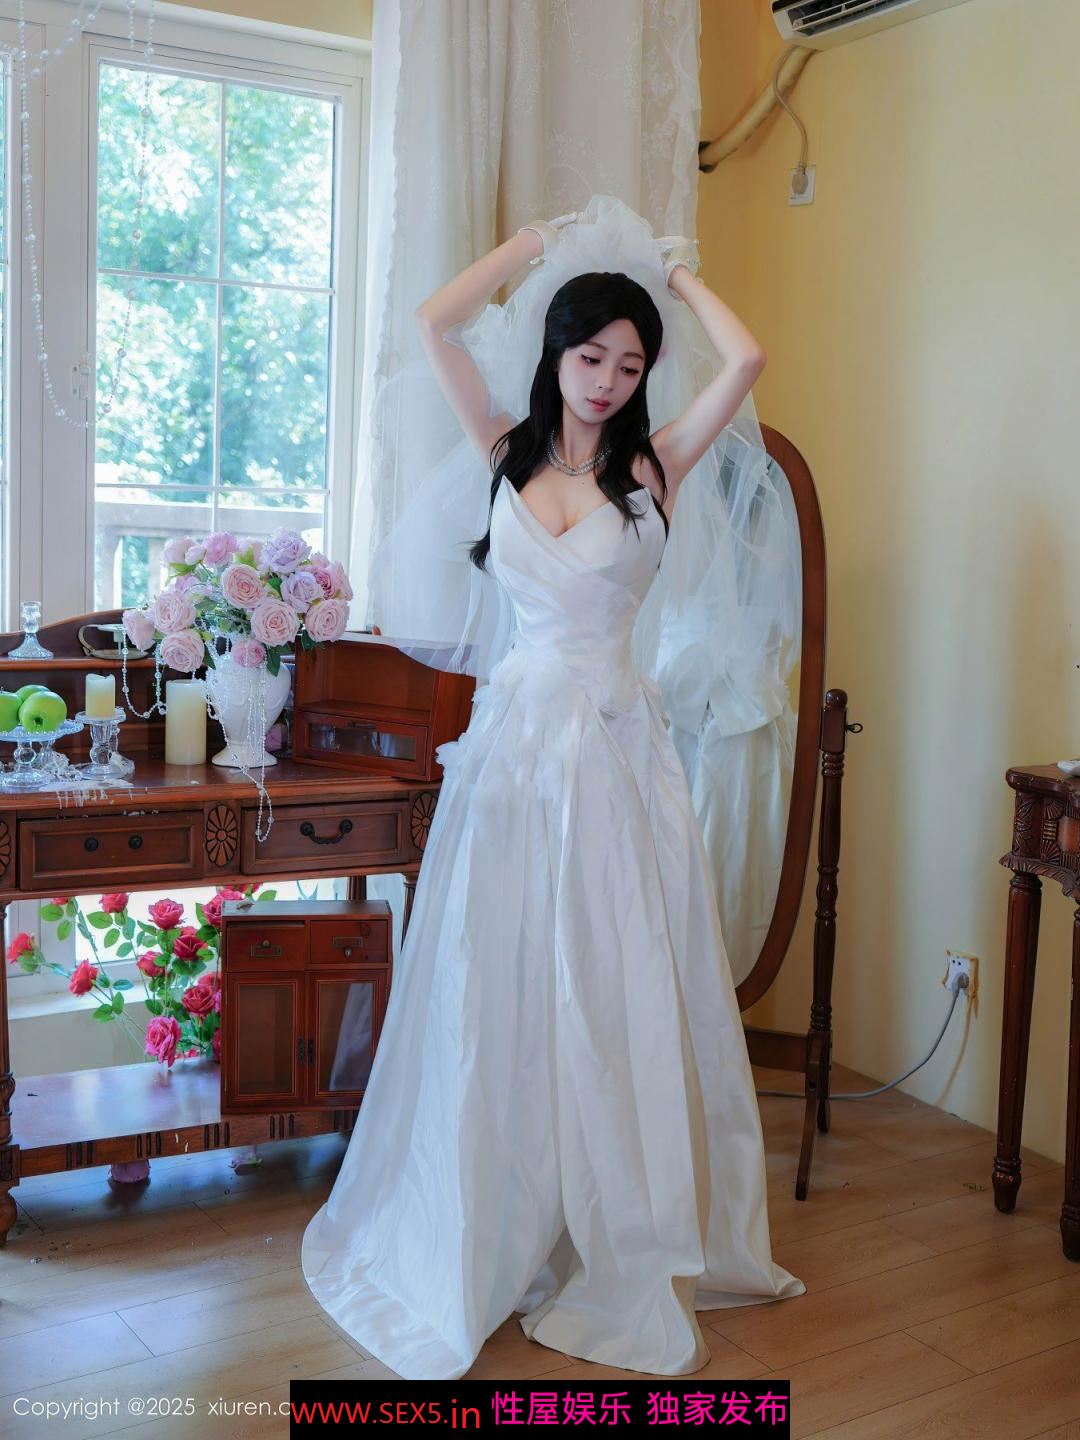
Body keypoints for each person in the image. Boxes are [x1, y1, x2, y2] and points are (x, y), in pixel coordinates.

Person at [301, 197, 805, 1381]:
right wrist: (537, 246)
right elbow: (434, 323)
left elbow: (747, 361)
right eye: (592, 358)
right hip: (516, 751)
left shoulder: (657, 463)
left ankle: (613, 1222)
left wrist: (677, 275)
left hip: (616, 752)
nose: (610, 381)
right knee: (500, 968)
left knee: (612, 975)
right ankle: (492, 1210)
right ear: (557, 354)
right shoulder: (502, 450)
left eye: (630, 365)